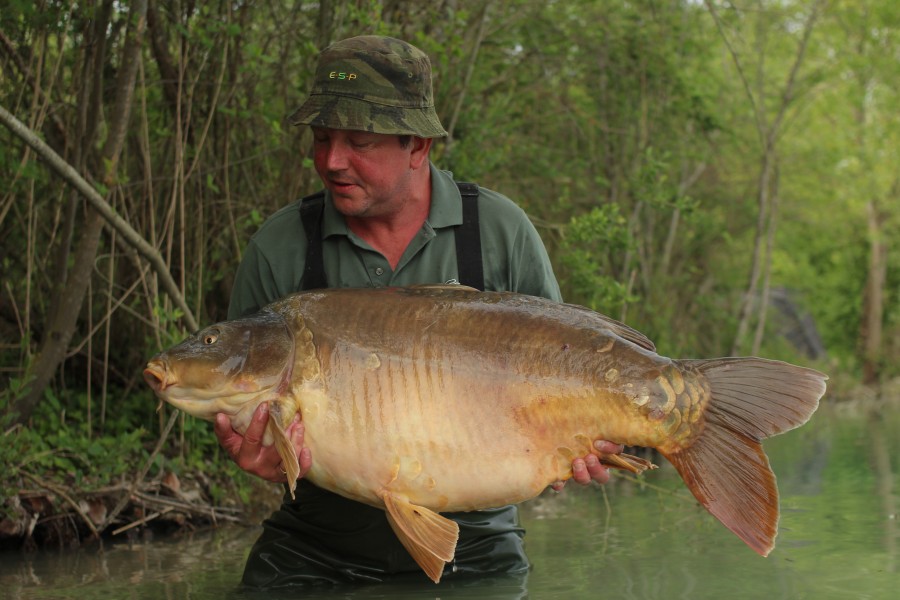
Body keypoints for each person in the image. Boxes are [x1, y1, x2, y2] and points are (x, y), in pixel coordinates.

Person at [214, 34, 623, 587]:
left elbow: (568, 372)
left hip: (477, 545)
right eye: (321, 137)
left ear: (418, 147)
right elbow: (250, 414)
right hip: (314, 546)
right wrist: (262, 459)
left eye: (358, 141)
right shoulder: (281, 247)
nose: (332, 160)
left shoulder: (499, 232)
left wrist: (594, 439)